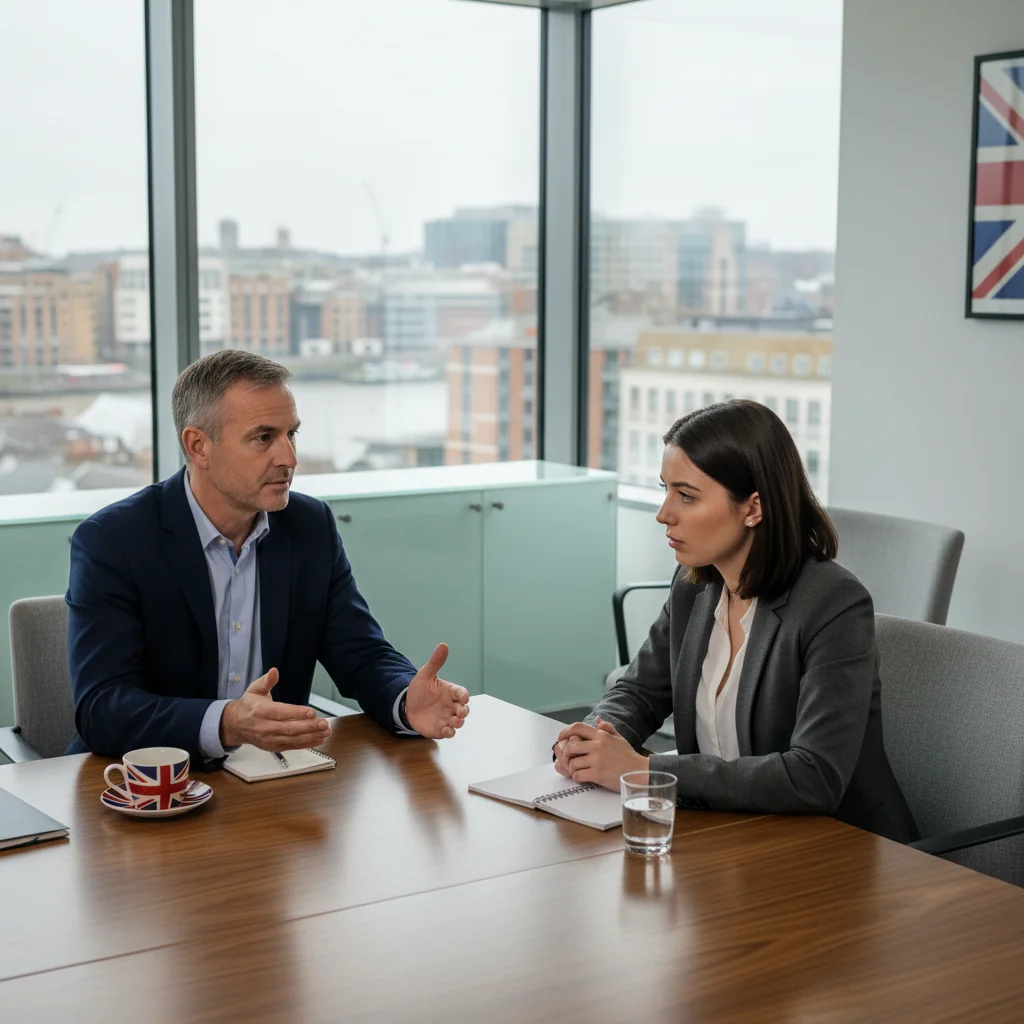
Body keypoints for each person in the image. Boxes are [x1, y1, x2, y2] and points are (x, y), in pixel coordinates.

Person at [66, 350, 469, 763]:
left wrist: (405, 701)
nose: (289, 458)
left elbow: (361, 654)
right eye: (264, 438)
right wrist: (226, 722)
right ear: (198, 445)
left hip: (274, 784)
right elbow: (102, 709)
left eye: (291, 434)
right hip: (144, 788)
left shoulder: (309, 525)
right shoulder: (113, 541)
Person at [554, 400, 918, 843]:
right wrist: (591, 738)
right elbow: (639, 691)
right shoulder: (694, 587)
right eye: (666, 489)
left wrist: (646, 770)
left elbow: (813, 775)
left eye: (686, 496)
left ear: (753, 508)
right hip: (729, 835)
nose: (664, 513)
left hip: (836, 849)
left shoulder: (833, 605)